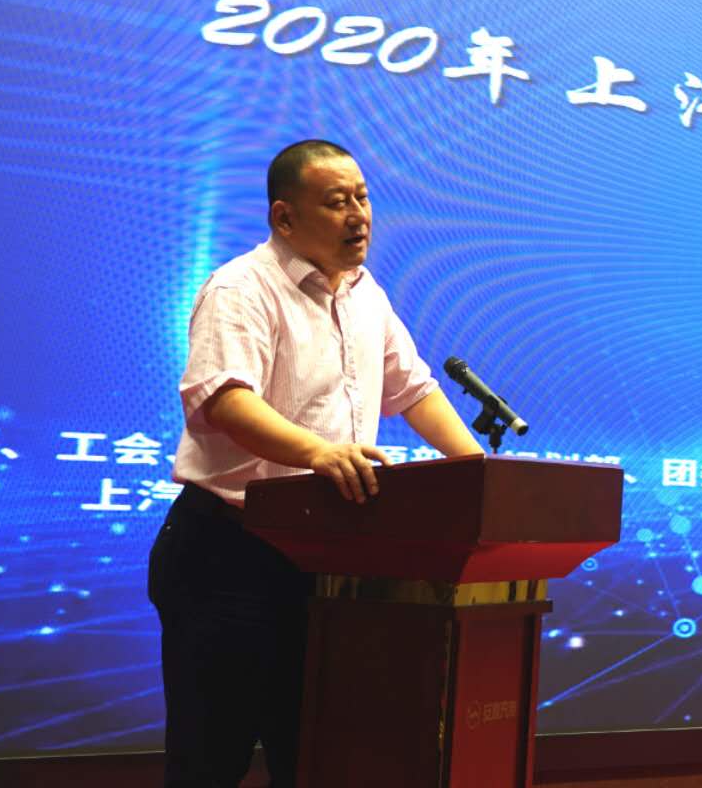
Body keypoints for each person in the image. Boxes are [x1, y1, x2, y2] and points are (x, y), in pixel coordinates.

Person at [148, 139, 483, 787]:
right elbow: (225, 400)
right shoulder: (242, 288)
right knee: (209, 763)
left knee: (313, 759)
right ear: (284, 217)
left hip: (329, 563)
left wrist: (479, 473)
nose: (359, 215)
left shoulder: (365, 295)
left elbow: (414, 391)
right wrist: (318, 453)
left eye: (363, 198)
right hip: (231, 558)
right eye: (337, 202)